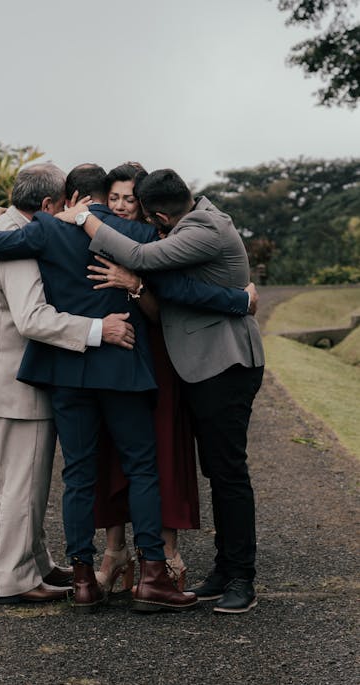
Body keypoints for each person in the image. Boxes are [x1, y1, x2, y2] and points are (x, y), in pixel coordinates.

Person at [0, 163, 199, 614]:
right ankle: (153, 574)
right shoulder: (131, 233)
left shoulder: (46, 230)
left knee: (77, 474)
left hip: (67, 372)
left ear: (70, 195)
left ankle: (82, 582)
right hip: (121, 368)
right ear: (103, 196)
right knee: (141, 469)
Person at [59, 168, 265, 615]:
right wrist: (233, 298)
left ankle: (242, 579)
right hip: (204, 366)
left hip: (224, 364)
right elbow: (174, 286)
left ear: (157, 213)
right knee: (218, 471)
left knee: (229, 473)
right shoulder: (192, 220)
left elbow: (147, 263)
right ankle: (225, 567)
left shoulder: (203, 228)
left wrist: (83, 218)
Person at [0, 163, 136, 606]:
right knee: (23, 484)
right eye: (65, 205)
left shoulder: (0, 227)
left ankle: (37, 561)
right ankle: (15, 579)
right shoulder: (20, 246)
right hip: (14, 381)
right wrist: (98, 329)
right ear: (50, 204)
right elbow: (32, 319)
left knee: (18, 480)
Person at [93, 162, 200, 593]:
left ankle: (164, 553)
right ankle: (115, 550)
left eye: (129, 199)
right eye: (113, 197)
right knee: (113, 453)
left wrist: (135, 284)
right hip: (112, 359)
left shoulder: (162, 242)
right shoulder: (96, 237)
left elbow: (163, 314)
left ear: (146, 205)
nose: (120, 206)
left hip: (158, 355)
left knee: (164, 451)